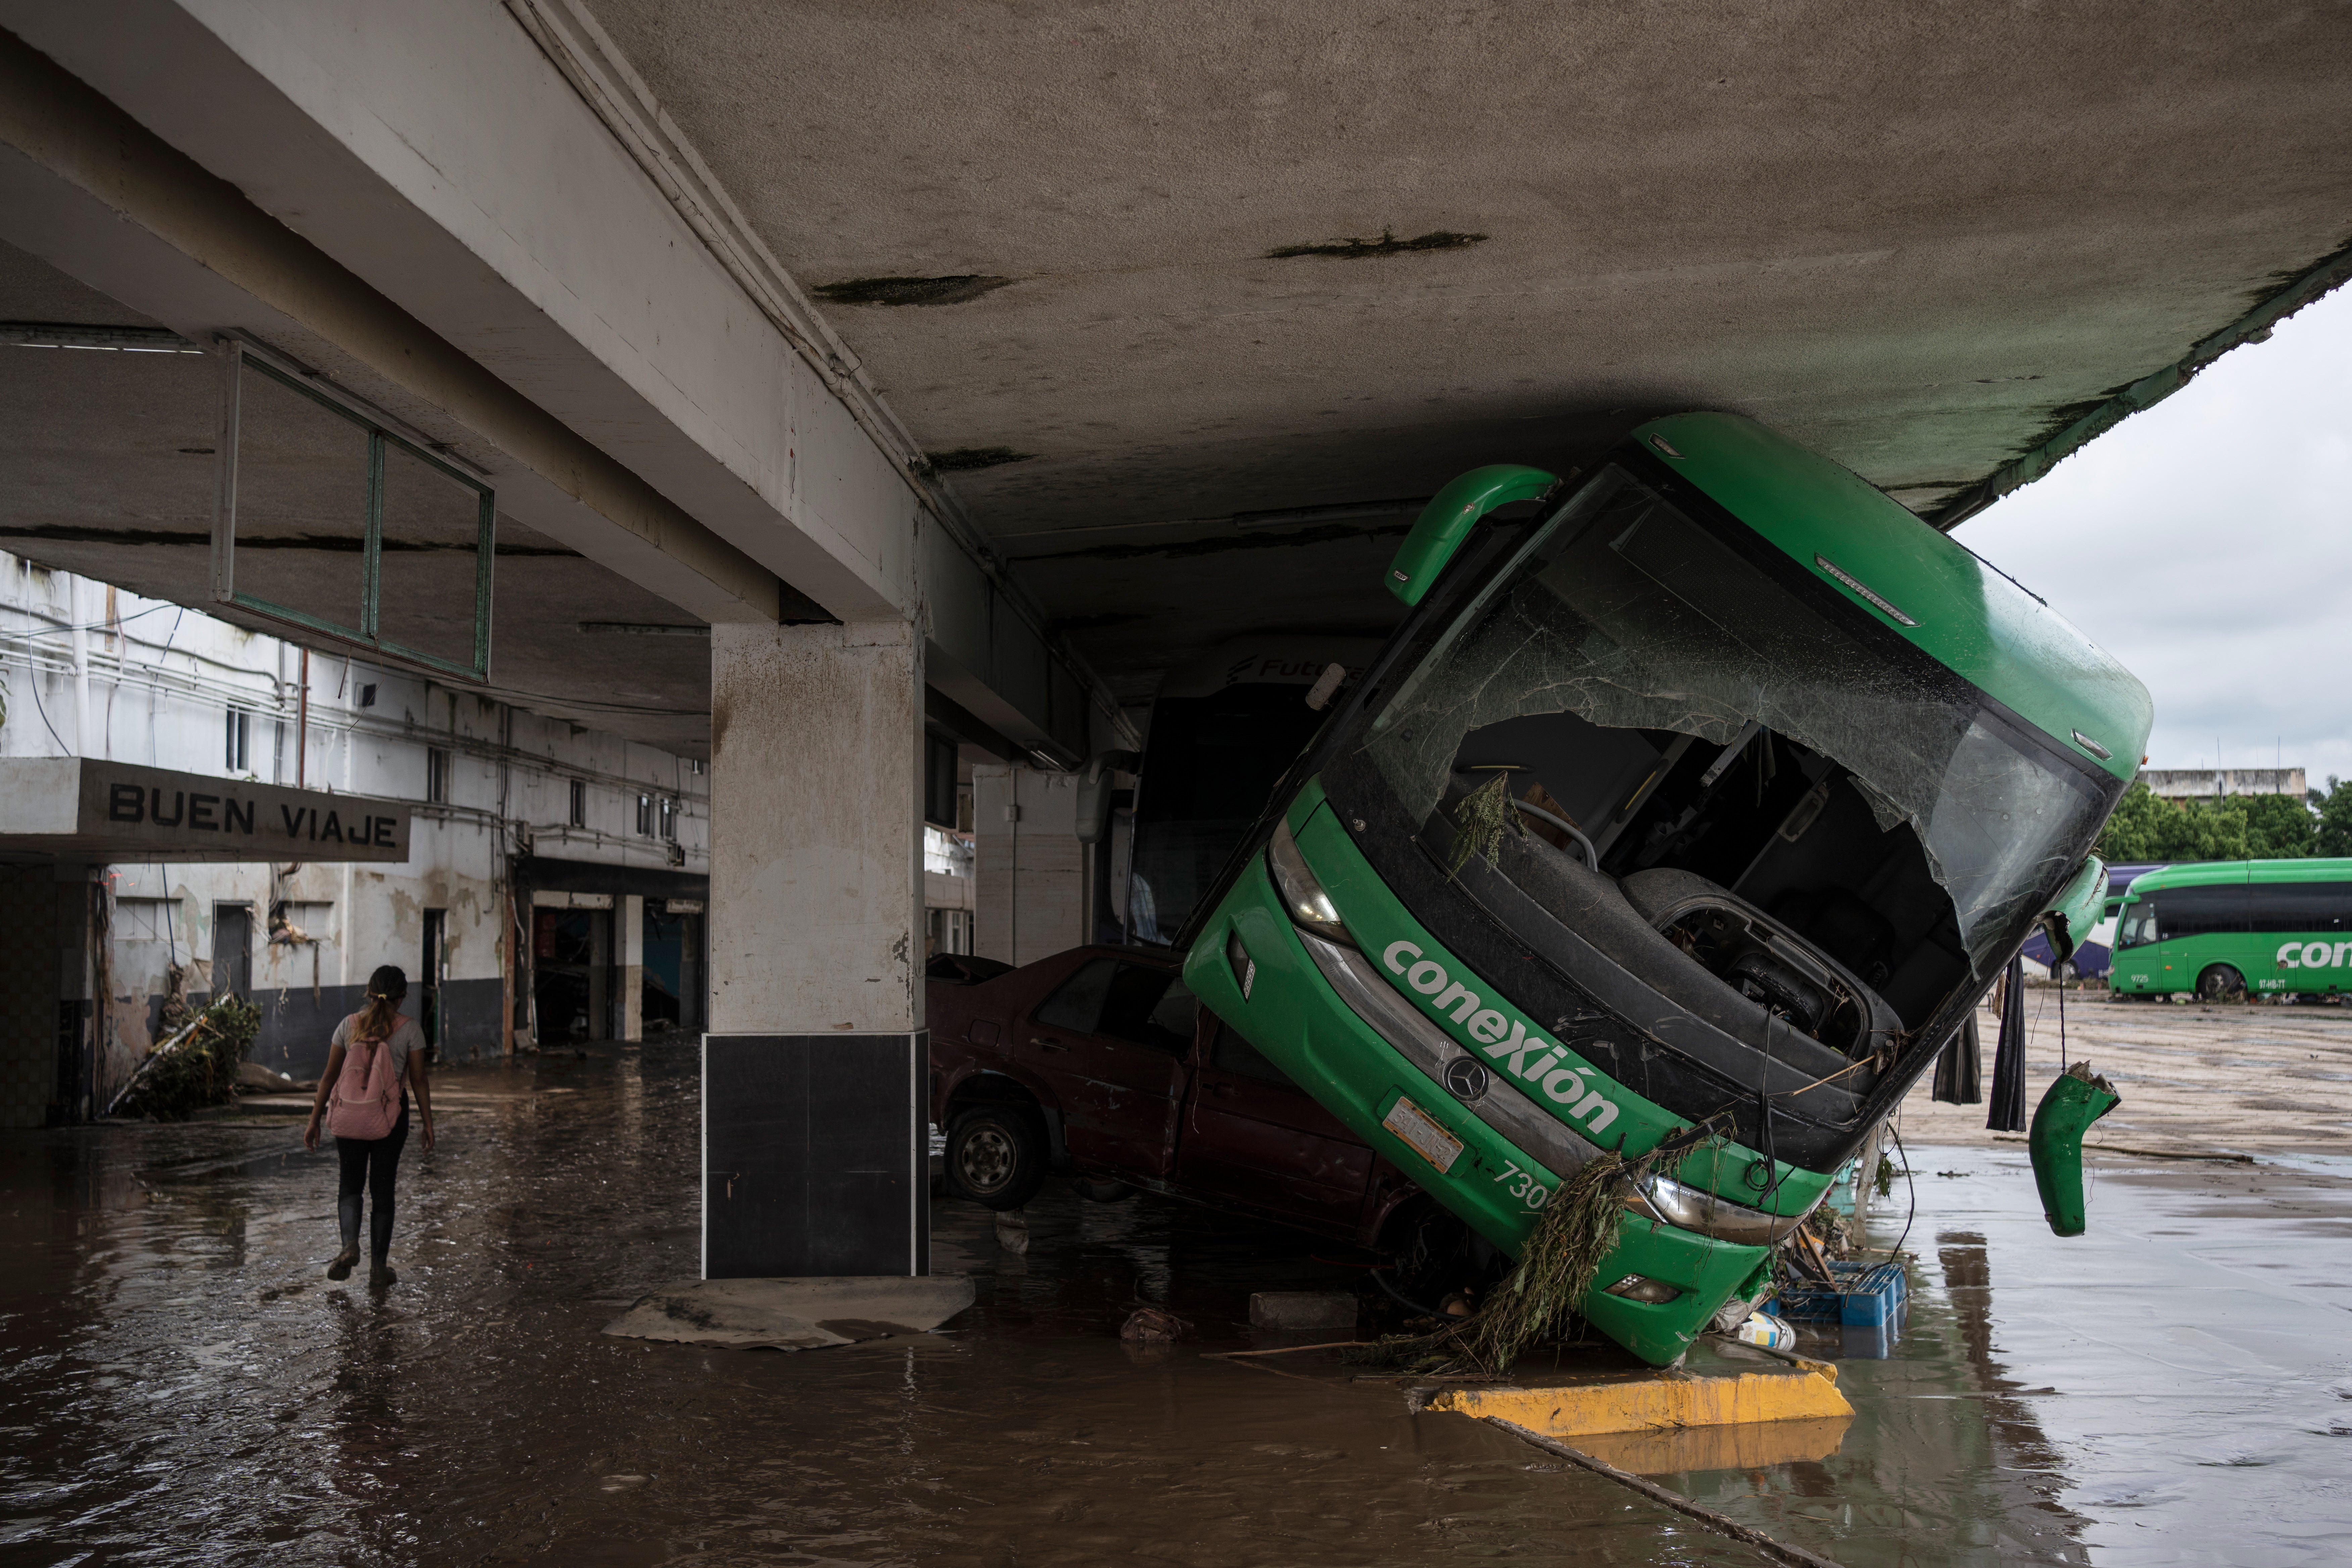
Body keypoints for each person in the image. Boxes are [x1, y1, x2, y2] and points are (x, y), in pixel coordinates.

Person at [303, 964, 435, 1285]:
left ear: (369, 991)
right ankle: (379, 1268)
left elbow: (329, 1076)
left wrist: (315, 1120)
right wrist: (429, 1124)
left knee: (350, 1184)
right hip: (390, 1119)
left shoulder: (349, 1026)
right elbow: (418, 1080)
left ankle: (350, 1245)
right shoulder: (410, 1029)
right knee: (382, 1187)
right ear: (401, 998)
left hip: (349, 1116)